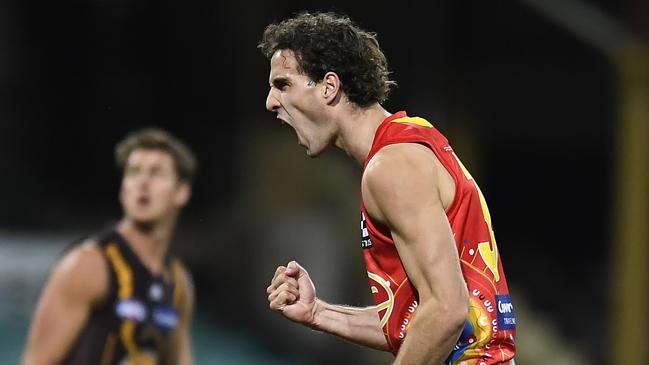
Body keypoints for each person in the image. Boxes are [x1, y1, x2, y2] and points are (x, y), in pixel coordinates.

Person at [260, 12, 516, 365]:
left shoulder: (390, 168)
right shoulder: (411, 140)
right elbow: (422, 319)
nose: (271, 101)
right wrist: (319, 313)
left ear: (329, 86)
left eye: (283, 84)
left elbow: (447, 310)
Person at [22, 128, 196, 365]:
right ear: (123, 189)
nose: (142, 183)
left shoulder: (178, 284)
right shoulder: (87, 265)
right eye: (134, 172)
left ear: (181, 192)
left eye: (156, 173)